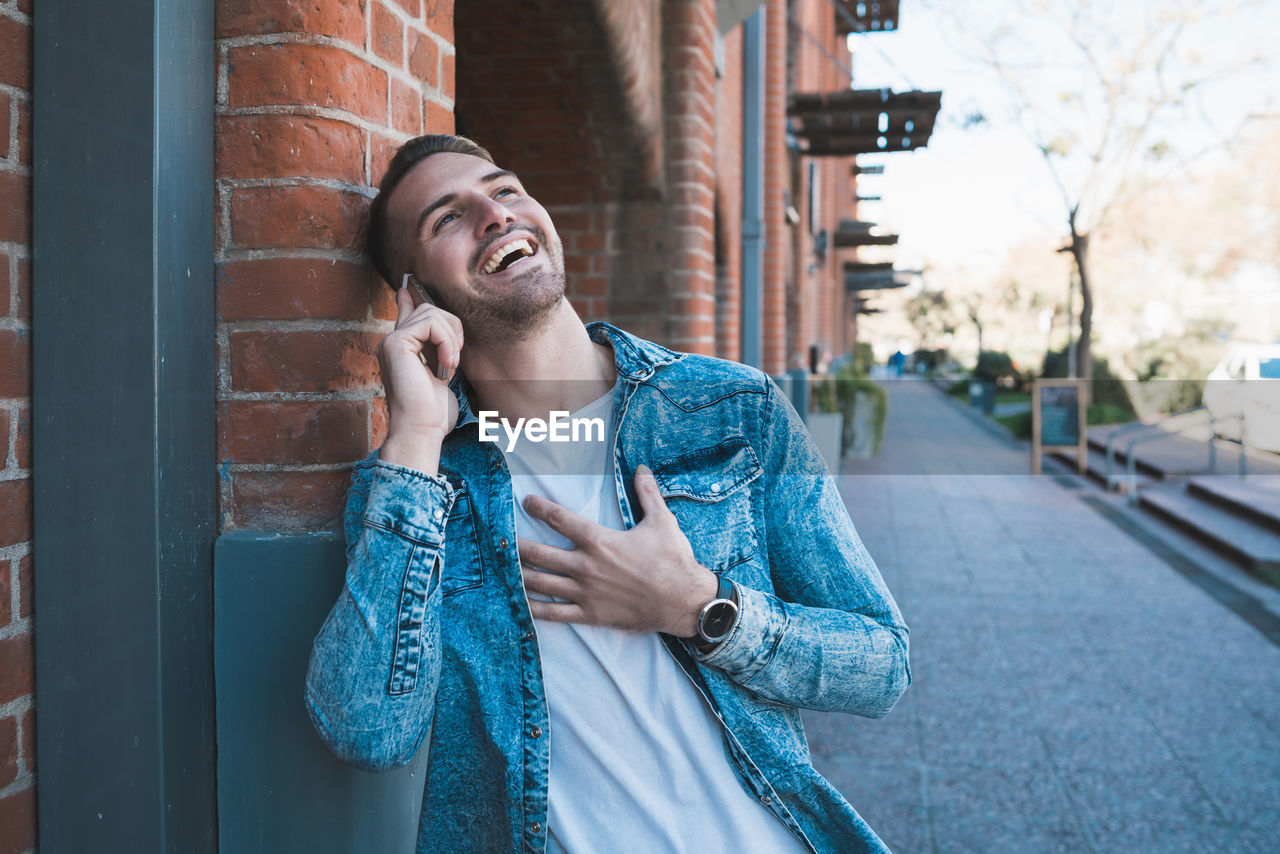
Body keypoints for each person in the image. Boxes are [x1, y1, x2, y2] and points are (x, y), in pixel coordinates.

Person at [305, 134, 910, 854]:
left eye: (504, 190)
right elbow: (368, 729)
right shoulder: (418, 490)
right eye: (447, 219)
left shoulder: (731, 407)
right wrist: (415, 439)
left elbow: (882, 662)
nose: (494, 215)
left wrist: (700, 609)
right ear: (416, 296)